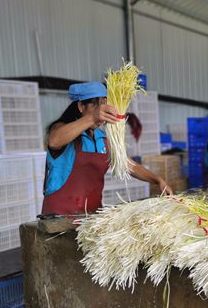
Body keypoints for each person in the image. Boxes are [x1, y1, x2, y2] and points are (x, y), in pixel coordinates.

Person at [42, 82, 172, 215]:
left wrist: (157, 180)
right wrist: (92, 118)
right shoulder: (61, 129)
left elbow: (127, 164)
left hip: (91, 216)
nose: (101, 115)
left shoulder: (102, 138)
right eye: (97, 108)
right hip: (59, 217)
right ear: (81, 106)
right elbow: (54, 141)